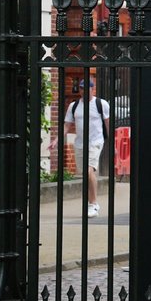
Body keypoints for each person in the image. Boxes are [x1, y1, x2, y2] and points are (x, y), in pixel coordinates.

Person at [63, 79, 112, 218]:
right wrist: (56, 140)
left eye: (86, 88)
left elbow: (108, 124)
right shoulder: (74, 106)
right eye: (81, 88)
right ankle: (92, 203)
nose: (83, 91)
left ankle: (93, 204)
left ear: (93, 89)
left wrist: (112, 143)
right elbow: (67, 125)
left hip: (95, 142)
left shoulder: (101, 104)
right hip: (79, 144)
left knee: (89, 170)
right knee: (86, 173)